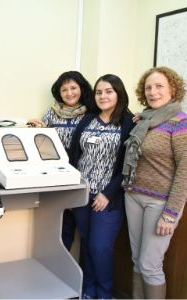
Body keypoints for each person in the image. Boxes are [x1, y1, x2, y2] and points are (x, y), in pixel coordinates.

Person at [122, 67, 187, 299]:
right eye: (148, 87)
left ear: (173, 89)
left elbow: (185, 171)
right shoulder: (145, 119)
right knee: (137, 260)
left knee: (150, 265)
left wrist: (170, 213)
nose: (153, 92)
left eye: (159, 86)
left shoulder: (180, 123)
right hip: (133, 196)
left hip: (160, 203)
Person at [69, 74, 134, 299]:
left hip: (109, 197)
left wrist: (107, 193)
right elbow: (75, 155)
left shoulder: (128, 122)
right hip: (82, 193)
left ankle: (105, 293)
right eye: (99, 92)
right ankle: (88, 289)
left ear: (119, 94)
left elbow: (127, 164)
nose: (103, 96)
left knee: (100, 247)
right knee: (86, 243)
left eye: (109, 91)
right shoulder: (88, 119)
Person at [29, 71, 94, 251]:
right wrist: (36, 129)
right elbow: (42, 142)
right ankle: (57, 269)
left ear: (82, 88)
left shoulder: (92, 112)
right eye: (64, 89)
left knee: (85, 230)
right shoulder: (51, 112)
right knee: (61, 228)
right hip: (57, 179)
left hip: (83, 177)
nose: (69, 93)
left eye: (73, 88)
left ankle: (83, 277)